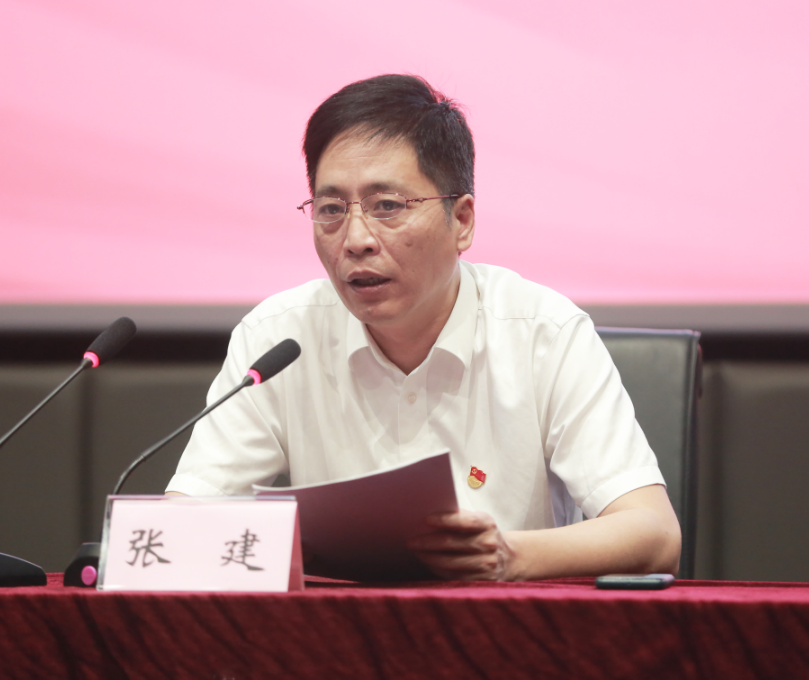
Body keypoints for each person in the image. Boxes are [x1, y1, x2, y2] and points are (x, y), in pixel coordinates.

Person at [167, 74, 681, 581]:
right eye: (331, 209)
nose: (356, 239)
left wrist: (508, 556)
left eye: (388, 206)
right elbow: (180, 528)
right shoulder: (278, 338)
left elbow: (655, 534)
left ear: (462, 221)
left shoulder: (543, 334)